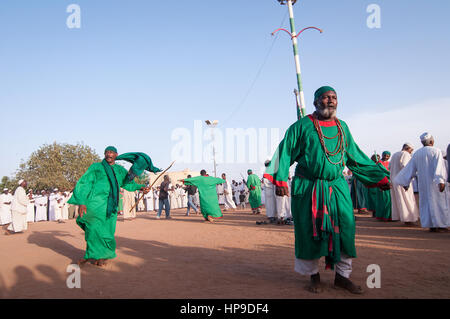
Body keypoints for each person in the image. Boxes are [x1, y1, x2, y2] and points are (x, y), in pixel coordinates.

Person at [264, 86, 390, 294]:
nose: (330, 101)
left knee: (346, 228)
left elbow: (356, 156)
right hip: (308, 187)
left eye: (334, 98)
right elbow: (284, 152)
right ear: (315, 102)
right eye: (325, 98)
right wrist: (279, 182)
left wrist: (378, 177)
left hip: (337, 186)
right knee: (309, 230)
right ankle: (314, 276)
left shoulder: (343, 127)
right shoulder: (302, 126)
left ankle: (342, 277)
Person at [67, 146, 151, 266]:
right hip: (95, 204)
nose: (108, 154)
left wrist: (141, 187)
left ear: (116, 155)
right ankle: (91, 255)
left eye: (111, 152)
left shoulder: (119, 170)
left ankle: (102, 256)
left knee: (107, 231)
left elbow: (127, 183)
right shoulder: (96, 167)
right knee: (93, 229)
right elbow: (85, 183)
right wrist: (81, 202)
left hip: (111, 206)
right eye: (107, 152)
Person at [395, 133, 450, 232]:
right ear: (432, 141)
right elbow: (439, 167)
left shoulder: (417, 153)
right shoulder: (436, 151)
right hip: (435, 183)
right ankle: (441, 225)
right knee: (439, 203)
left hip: (423, 184)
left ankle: (431, 226)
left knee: (426, 204)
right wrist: (440, 181)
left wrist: (405, 182)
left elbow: (410, 169)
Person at [389, 143, 419, 224]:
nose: (411, 152)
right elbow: (406, 167)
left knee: (399, 200)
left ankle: (404, 218)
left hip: (394, 180)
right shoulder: (405, 154)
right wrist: (407, 181)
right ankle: (409, 219)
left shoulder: (395, 154)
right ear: (408, 148)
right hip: (403, 181)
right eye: (411, 150)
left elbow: (389, 167)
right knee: (407, 199)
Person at [374, 151, 392, 221]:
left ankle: (388, 216)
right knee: (382, 200)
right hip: (382, 182)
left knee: (389, 200)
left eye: (388, 156)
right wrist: (390, 174)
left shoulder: (390, 163)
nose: (386, 157)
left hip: (389, 182)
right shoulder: (379, 164)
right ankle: (382, 216)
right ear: (382, 155)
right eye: (385, 155)